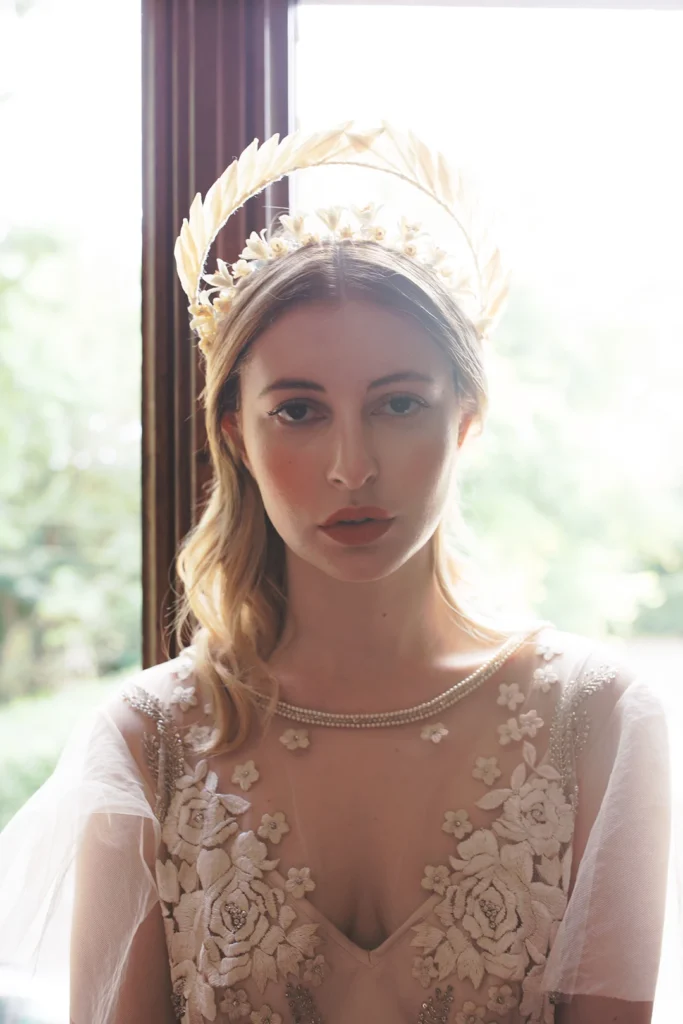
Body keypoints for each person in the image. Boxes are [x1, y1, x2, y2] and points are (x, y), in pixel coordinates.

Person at [0, 122, 678, 1024]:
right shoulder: (149, 740)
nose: (351, 467)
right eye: (299, 411)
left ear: (466, 419)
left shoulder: (595, 718)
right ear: (236, 433)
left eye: (399, 404)